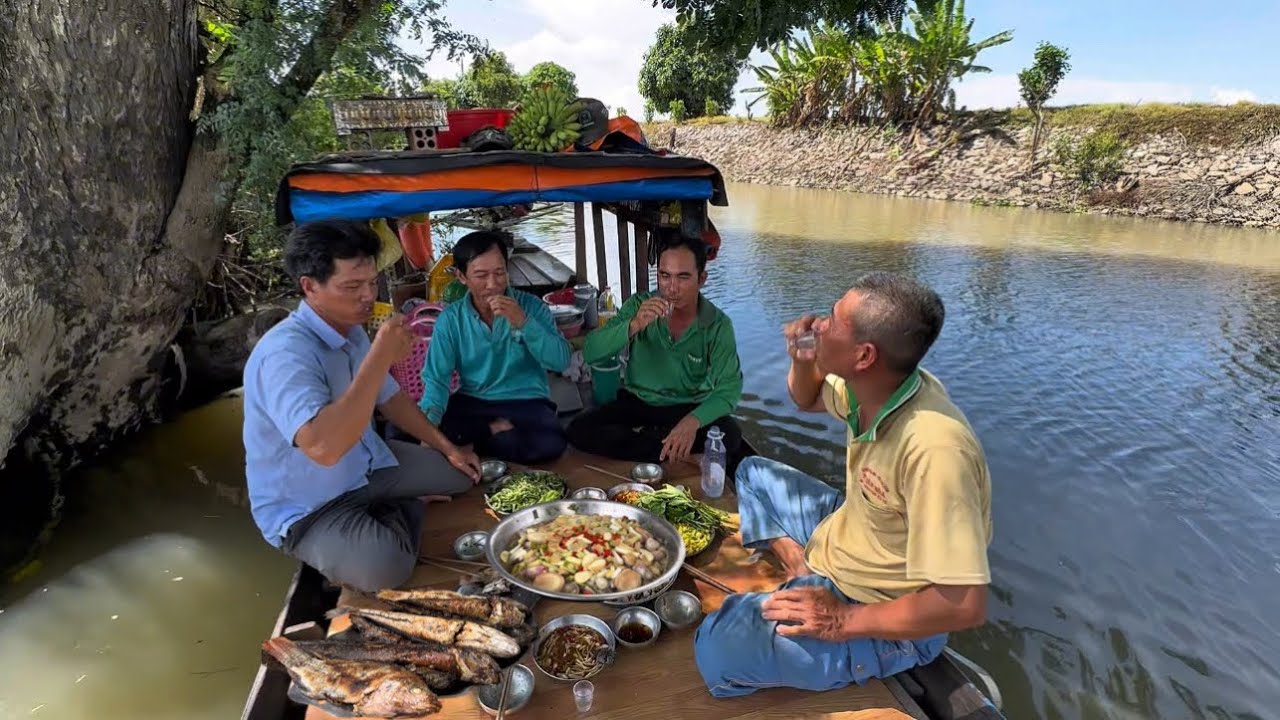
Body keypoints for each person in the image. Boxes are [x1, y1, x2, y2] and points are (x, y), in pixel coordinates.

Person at [693, 272, 992, 698]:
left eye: (832, 320)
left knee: (715, 649)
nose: (817, 324)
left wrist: (841, 621)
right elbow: (807, 398)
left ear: (864, 355)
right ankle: (799, 563)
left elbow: (964, 605)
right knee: (750, 472)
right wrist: (802, 359)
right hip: (848, 529)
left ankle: (839, 618)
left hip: (874, 602)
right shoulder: (872, 386)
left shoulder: (935, 450)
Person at [243, 220, 483, 593]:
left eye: (371, 282)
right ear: (310, 286)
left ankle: (391, 509)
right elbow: (323, 448)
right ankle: (397, 511)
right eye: (352, 286)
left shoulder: (350, 328)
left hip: (368, 466)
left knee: (460, 476)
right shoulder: (285, 354)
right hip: (313, 507)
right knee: (386, 571)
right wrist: (380, 355)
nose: (367, 296)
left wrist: (447, 448)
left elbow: (391, 398)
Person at [567, 229, 743, 467]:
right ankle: (665, 448)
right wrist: (634, 324)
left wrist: (692, 421)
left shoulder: (717, 324)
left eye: (683, 277)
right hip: (638, 402)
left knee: (730, 434)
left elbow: (728, 391)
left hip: (687, 406)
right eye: (664, 276)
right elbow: (591, 351)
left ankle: (658, 445)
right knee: (580, 429)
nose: (671, 288)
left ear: (701, 279)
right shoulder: (639, 305)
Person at [418, 230, 571, 464]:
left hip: (525, 402)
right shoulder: (451, 319)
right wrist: (428, 431)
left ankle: (477, 441)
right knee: (407, 430)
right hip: (474, 402)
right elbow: (437, 380)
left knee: (549, 443)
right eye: (481, 275)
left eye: (499, 273)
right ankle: (490, 431)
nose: (493, 284)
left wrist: (524, 322)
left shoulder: (531, 307)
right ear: (461, 276)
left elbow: (561, 361)